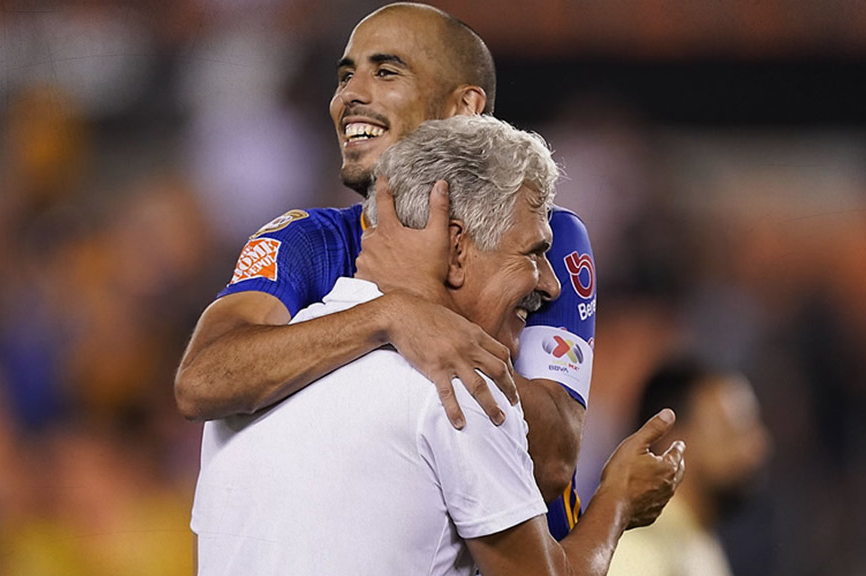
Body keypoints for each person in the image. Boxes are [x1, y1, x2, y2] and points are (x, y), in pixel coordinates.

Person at [175, 2, 674, 540]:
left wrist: (426, 310)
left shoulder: (545, 243)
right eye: (346, 76)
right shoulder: (305, 241)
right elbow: (202, 381)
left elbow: (553, 458)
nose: (349, 95)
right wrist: (389, 313)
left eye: (385, 72)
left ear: (464, 106)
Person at [607, 356, 772, 576]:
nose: (758, 446)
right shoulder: (637, 549)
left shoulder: (696, 539)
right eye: (733, 433)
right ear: (673, 441)